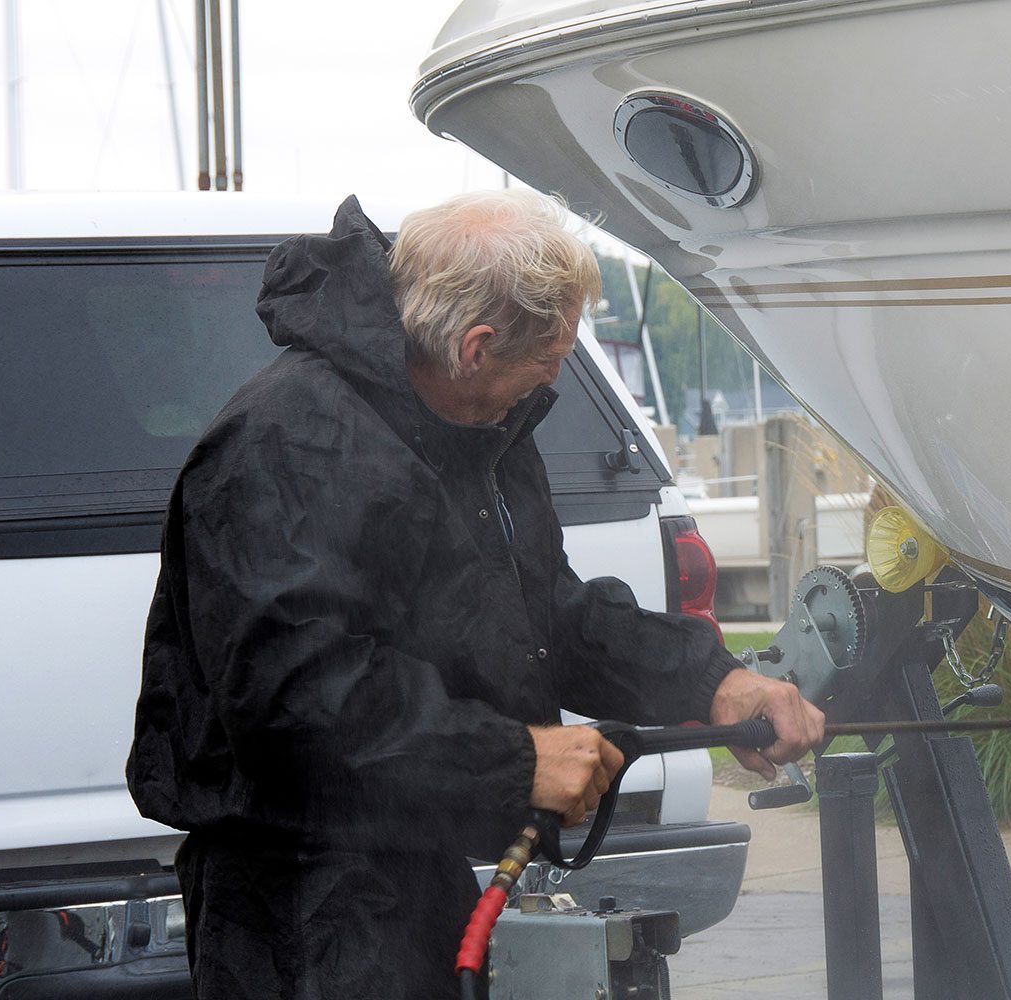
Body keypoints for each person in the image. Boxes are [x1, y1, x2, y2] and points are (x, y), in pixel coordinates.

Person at [126, 193, 824, 999]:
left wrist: (712, 682)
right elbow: (296, 695)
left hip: (413, 859)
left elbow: (544, 614)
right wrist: (517, 760)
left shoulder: (471, 429)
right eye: (544, 362)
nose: (548, 385)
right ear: (474, 346)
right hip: (298, 900)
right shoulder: (286, 442)